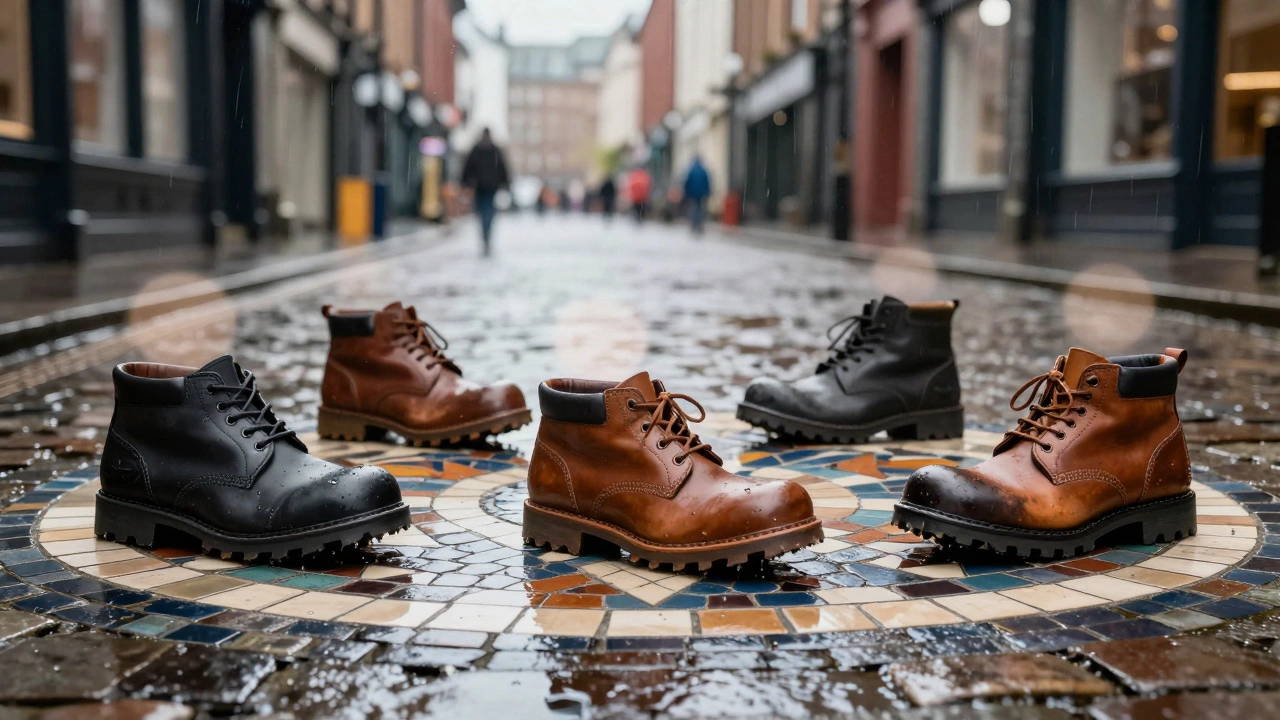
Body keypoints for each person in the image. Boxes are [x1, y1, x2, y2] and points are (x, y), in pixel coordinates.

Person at [461, 128, 510, 256]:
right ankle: (487, 234)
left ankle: (485, 234)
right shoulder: (495, 150)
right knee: (489, 211)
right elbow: (503, 168)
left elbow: (468, 167)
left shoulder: (477, 149)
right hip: (491, 186)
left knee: (482, 211)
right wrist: (505, 184)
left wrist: (465, 182)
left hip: (480, 186)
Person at [683, 155, 711, 236]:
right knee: (700, 209)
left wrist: (687, 192)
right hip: (702, 193)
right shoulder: (703, 170)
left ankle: (694, 224)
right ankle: (699, 224)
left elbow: (687, 182)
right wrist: (707, 192)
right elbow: (707, 182)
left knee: (693, 209)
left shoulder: (691, 170)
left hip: (692, 193)